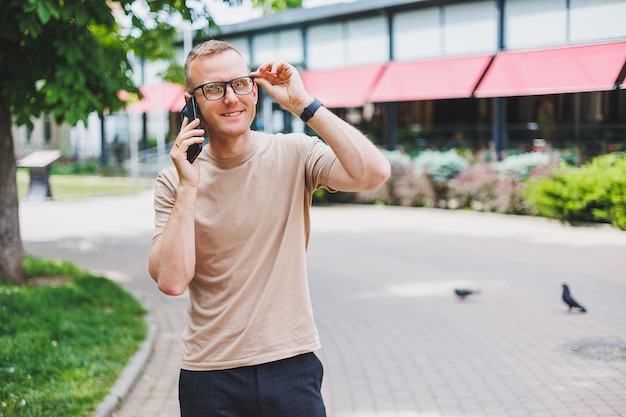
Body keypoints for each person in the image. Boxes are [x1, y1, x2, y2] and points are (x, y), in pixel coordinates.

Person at [148, 39, 390, 417]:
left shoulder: (294, 153)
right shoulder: (174, 182)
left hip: (290, 364)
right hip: (210, 376)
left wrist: (303, 106)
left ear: (255, 89)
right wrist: (189, 186)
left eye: (240, 83)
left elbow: (374, 173)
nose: (231, 98)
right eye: (213, 89)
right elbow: (173, 281)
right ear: (191, 102)